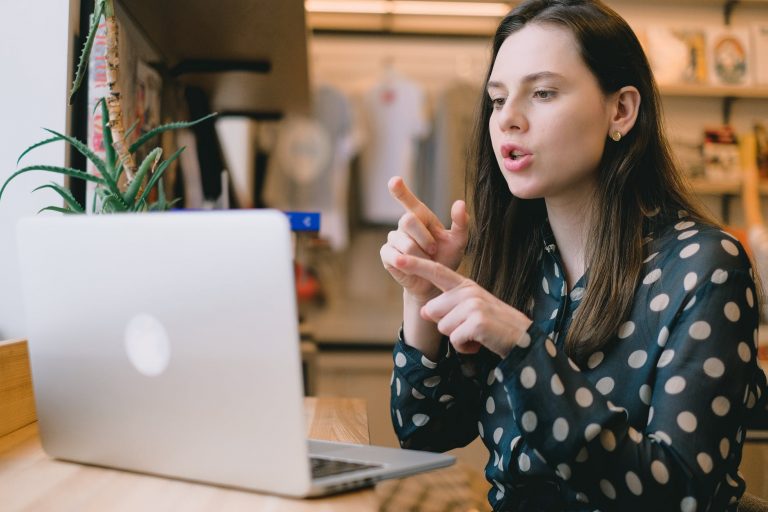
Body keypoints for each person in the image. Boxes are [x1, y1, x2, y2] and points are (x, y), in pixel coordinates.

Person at [379, 0, 768, 510]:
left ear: (621, 110)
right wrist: (422, 295)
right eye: (497, 100)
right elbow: (425, 433)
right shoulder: (519, 261)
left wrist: (522, 346)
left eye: (542, 93)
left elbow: (679, 494)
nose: (508, 121)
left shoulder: (706, 265)